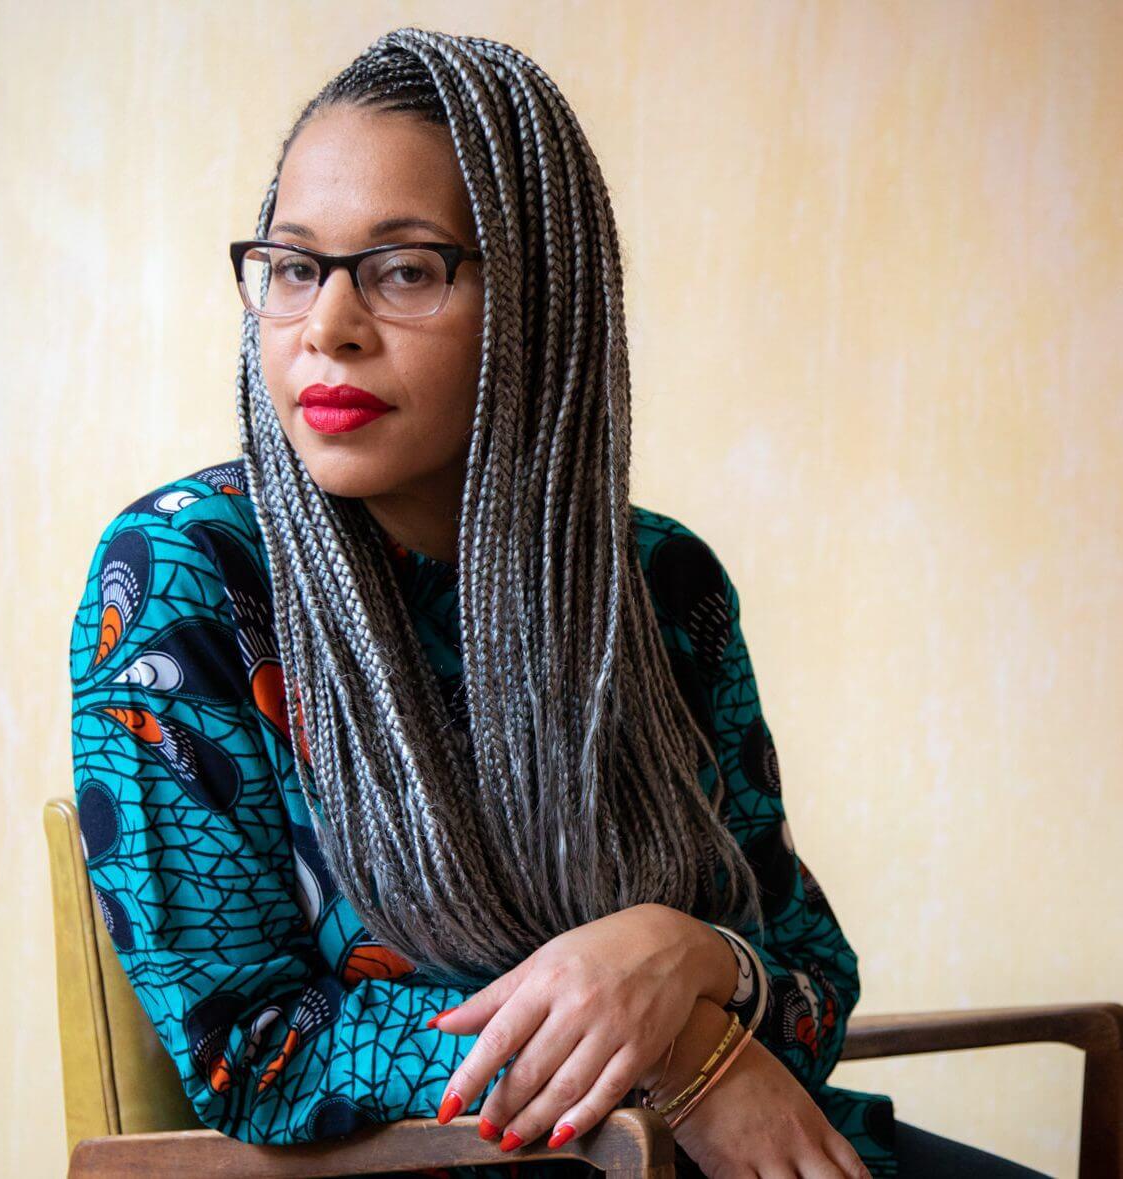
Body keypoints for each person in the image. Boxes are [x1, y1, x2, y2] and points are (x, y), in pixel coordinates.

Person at [67, 27, 1046, 1179]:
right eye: (292, 266)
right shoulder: (191, 570)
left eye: (404, 268)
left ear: (540, 297)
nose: (324, 325)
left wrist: (681, 953)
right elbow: (257, 1054)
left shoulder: (661, 586)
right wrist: (674, 1052)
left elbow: (812, 983)